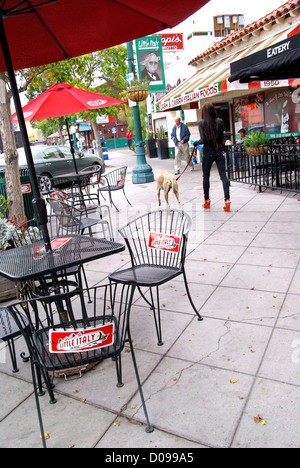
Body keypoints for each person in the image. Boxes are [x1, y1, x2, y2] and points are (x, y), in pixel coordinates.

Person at [193, 103, 231, 212]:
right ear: (213, 111)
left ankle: (207, 200)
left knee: (206, 177)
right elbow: (221, 137)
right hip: (218, 151)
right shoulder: (219, 121)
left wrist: (195, 143)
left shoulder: (201, 123)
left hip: (207, 153)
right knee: (223, 176)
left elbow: (203, 141)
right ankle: (227, 200)